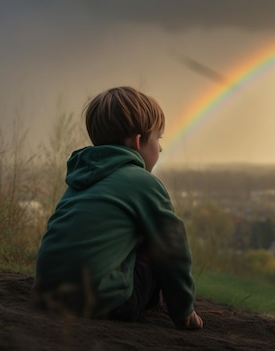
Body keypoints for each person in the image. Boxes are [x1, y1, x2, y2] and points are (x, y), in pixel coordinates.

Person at [33, 86, 203, 330]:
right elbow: (174, 249)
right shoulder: (144, 183)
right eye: (158, 138)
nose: (161, 148)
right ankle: (157, 303)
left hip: (48, 295)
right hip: (105, 302)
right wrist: (183, 309)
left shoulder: (81, 179)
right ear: (137, 141)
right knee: (158, 238)